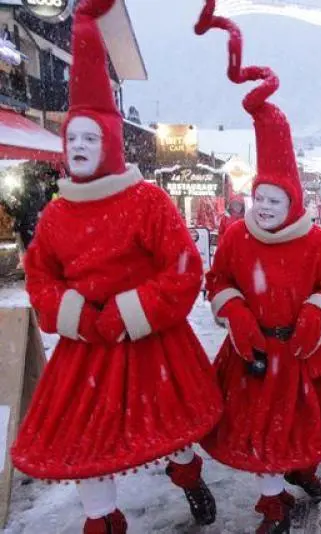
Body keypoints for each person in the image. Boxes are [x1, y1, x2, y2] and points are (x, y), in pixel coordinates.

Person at [12, 2, 223, 532]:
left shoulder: (147, 201)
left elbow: (182, 267)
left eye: (89, 138)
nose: (79, 146)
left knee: (165, 429)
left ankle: (188, 476)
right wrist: (77, 314)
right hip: (85, 346)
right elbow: (40, 276)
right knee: (87, 445)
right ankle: (102, 521)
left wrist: (129, 311)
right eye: (73, 138)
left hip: (147, 340)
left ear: (108, 143)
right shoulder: (57, 212)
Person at [195, 5, 321, 533]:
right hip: (254, 354)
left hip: (303, 352)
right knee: (261, 433)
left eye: (273, 198)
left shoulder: (316, 241)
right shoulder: (237, 236)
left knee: (301, 424)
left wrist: (316, 313)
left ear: (291, 201)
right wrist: (235, 312)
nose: (263, 206)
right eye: (257, 197)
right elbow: (217, 281)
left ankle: (304, 470)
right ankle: (272, 505)